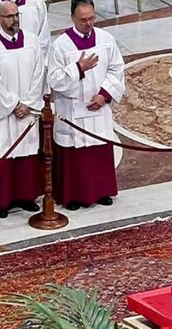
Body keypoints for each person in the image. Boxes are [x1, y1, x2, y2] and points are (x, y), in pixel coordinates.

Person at [47, 0, 124, 210]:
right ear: (72, 18)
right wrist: (78, 68)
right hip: (73, 111)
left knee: (98, 148)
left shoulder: (106, 39)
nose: (89, 24)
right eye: (83, 20)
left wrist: (104, 95)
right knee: (75, 154)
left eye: (92, 18)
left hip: (98, 107)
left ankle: (101, 191)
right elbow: (53, 79)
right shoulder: (60, 46)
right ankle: (73, 196)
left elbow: (117, 69)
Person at [0, 1, 44, 218]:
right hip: (4, 115)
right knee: (3, 154)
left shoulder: (33, 42)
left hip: (26, 111)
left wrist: (28, 103)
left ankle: (26, 196)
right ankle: (0, 201)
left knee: (25, 154)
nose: (14, 20)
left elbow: (38, 75)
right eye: (9, 16)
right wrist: (15, 104)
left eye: (16, 15)